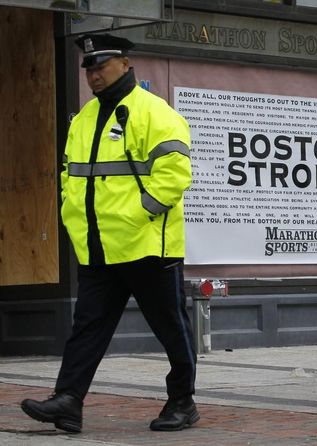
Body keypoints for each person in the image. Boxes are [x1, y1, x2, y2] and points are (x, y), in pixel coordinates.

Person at [20, 34, 198, 432]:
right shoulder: (84, 119)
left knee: (170, 327)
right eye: (89, 69)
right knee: (87, 327)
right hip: (98, 248)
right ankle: (68, 400)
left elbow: (174, 174)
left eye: (101, 67)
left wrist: (139, 216)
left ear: (125, 64)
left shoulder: (155, 112)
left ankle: (182, 401)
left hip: (148, 245)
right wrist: (72, 217)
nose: (94, 76)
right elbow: (71, 175)